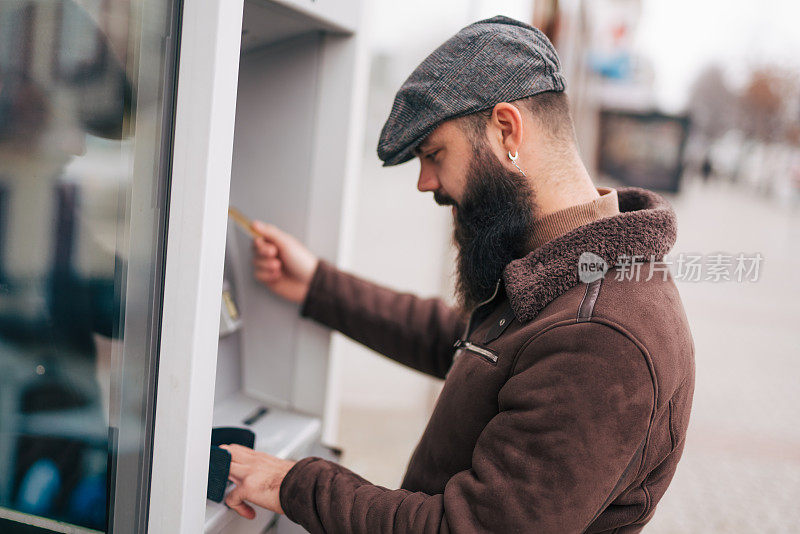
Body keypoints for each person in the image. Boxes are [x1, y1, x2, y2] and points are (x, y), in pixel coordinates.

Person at [220, 15, 695, 533]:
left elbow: (466, 529)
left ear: (507, 128)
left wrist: (292, 483)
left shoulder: (601, 335)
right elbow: (464, 345)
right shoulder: (568, 271)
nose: (426, 183)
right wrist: (316, 286)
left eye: (434, 154)